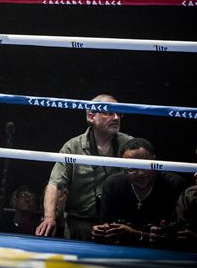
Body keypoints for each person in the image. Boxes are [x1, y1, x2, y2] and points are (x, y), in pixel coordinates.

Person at [35, 94, 133, 241]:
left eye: (119, 113)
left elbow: (151, 177)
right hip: (80, 224)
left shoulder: (130, 145)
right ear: (91, 117)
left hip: (119, 226)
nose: (116, 117)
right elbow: (55, 184)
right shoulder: (73, 147)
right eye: (108, 112)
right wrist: (49, 217)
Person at [91, 137, 187, 245]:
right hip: (120, 250)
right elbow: (105, 223)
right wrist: (101, 231)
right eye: (132, 168)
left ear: (154, 160)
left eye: (145, 165)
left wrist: (135, 234)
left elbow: (177, 236)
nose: (140, 173)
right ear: (123, 168)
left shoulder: (174, 185)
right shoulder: (112, 185)